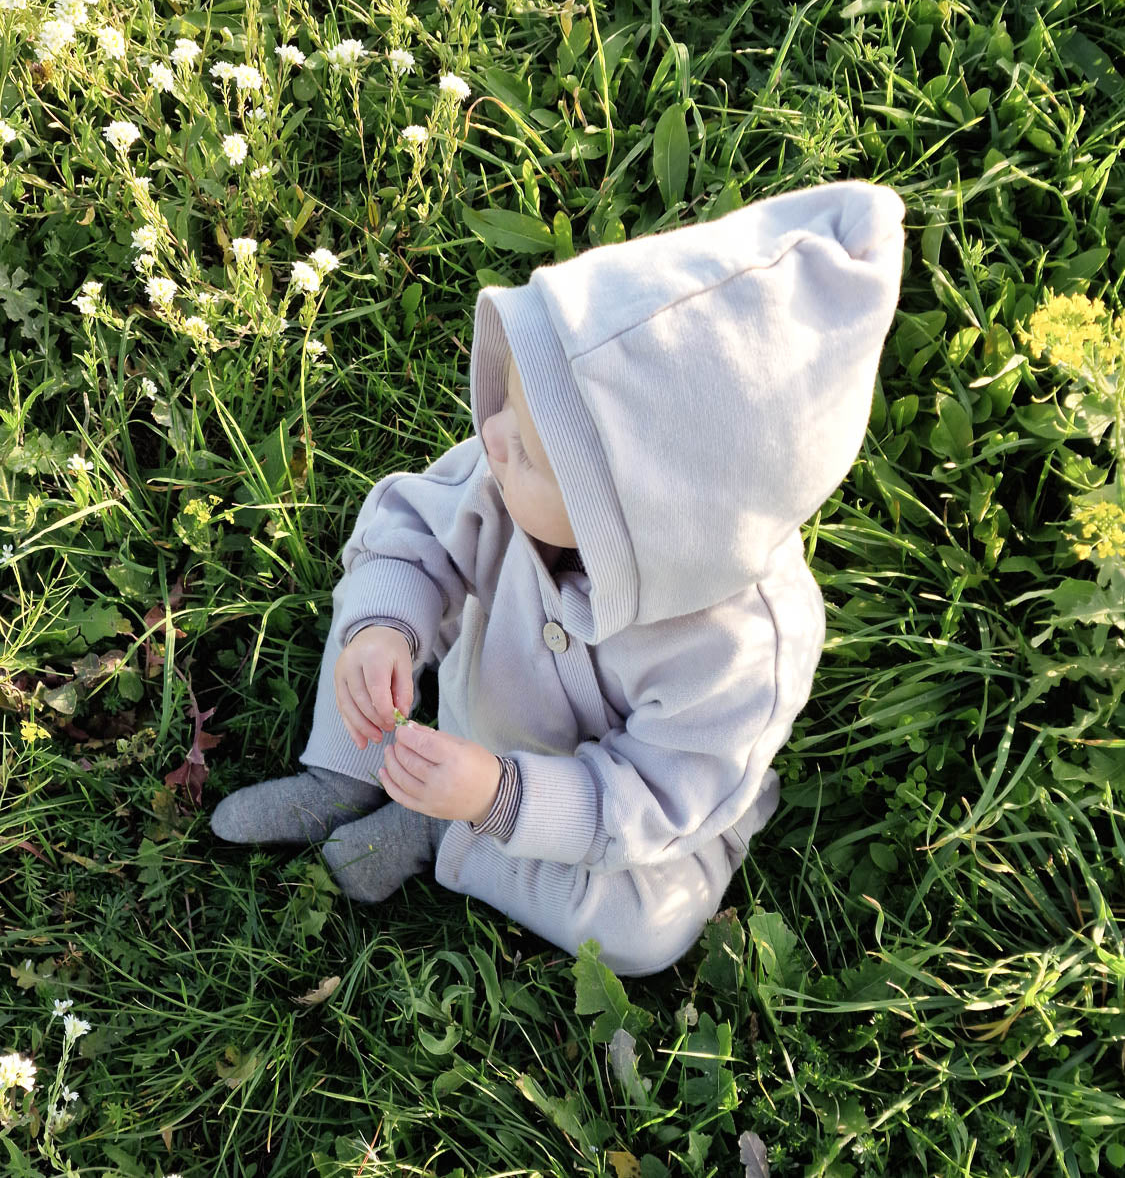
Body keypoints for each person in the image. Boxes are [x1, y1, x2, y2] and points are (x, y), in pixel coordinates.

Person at [211, 179, 906, 976]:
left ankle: (449, 835)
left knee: (647, 929)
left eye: (531, 453)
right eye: (508, 405)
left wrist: (497, 798)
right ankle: (342, 771)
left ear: (637, 524)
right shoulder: (508, 481)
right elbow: (411, 527)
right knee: (379, 601)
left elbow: (654, 801)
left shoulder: (737, 655)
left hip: (601, 814)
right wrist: (383, 630)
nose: (492, 436)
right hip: (470, 721)